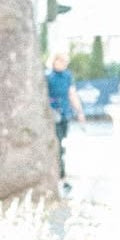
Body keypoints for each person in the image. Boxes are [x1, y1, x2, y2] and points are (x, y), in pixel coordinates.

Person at [46, 53, 85, 191]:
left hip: (64, 115)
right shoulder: (47, 76)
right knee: (56, 147)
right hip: (52, 116)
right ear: (54, 60)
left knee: (62, 146)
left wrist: (79, 112)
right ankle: (60, 178)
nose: (64, 63)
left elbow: (72, 93)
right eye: (61, 60)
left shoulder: (67, 76)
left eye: (65, 61)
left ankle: (62, 177)